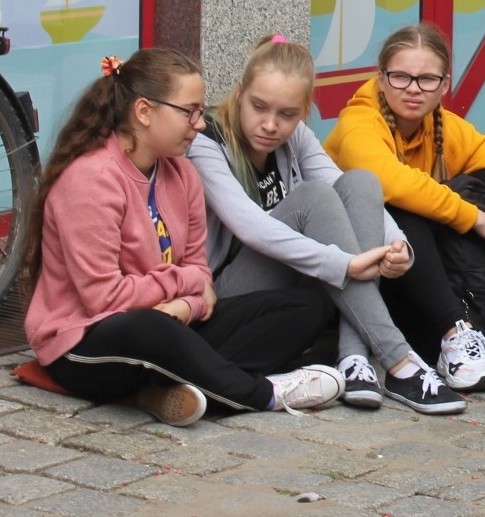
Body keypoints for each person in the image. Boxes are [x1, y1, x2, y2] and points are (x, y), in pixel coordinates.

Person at [22, 49, 344, 427]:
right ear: (144, 112)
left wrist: (185, 308)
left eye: (200, 111)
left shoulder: (183, 174)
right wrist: (185, 288)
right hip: (84, 342)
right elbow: (105, 298)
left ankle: (172, 387)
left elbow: (199, 270)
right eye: (189, 112)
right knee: (150, 327)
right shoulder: (91, 179)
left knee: (306, 306)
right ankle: (265, 394)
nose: (200, 124)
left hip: (170, 324)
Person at [187, 35, 466, 414]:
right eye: (259, 107)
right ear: (239, 94)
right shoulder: (207, 141)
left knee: (361, 182)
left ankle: (354, 358)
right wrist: (343, 263)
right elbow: (251, 227)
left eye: (287, 115)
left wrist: (397, 243)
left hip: (296, 280)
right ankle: (400, 361)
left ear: (303, 112)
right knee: (314, 198)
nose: (270, 125)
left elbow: (345, 185)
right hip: (227, 294)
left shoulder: (296, 136)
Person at [325, 24, 485, 392]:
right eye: (401, 77)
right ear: (381, 79)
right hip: (359, 279)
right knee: (403, 209)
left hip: (415, 277)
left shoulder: (445, 127)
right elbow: (390, 182)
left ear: (444, 85)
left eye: (426, 79)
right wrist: (475, 218)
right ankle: (455, 331)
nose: (413, 88)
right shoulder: (358, 123)